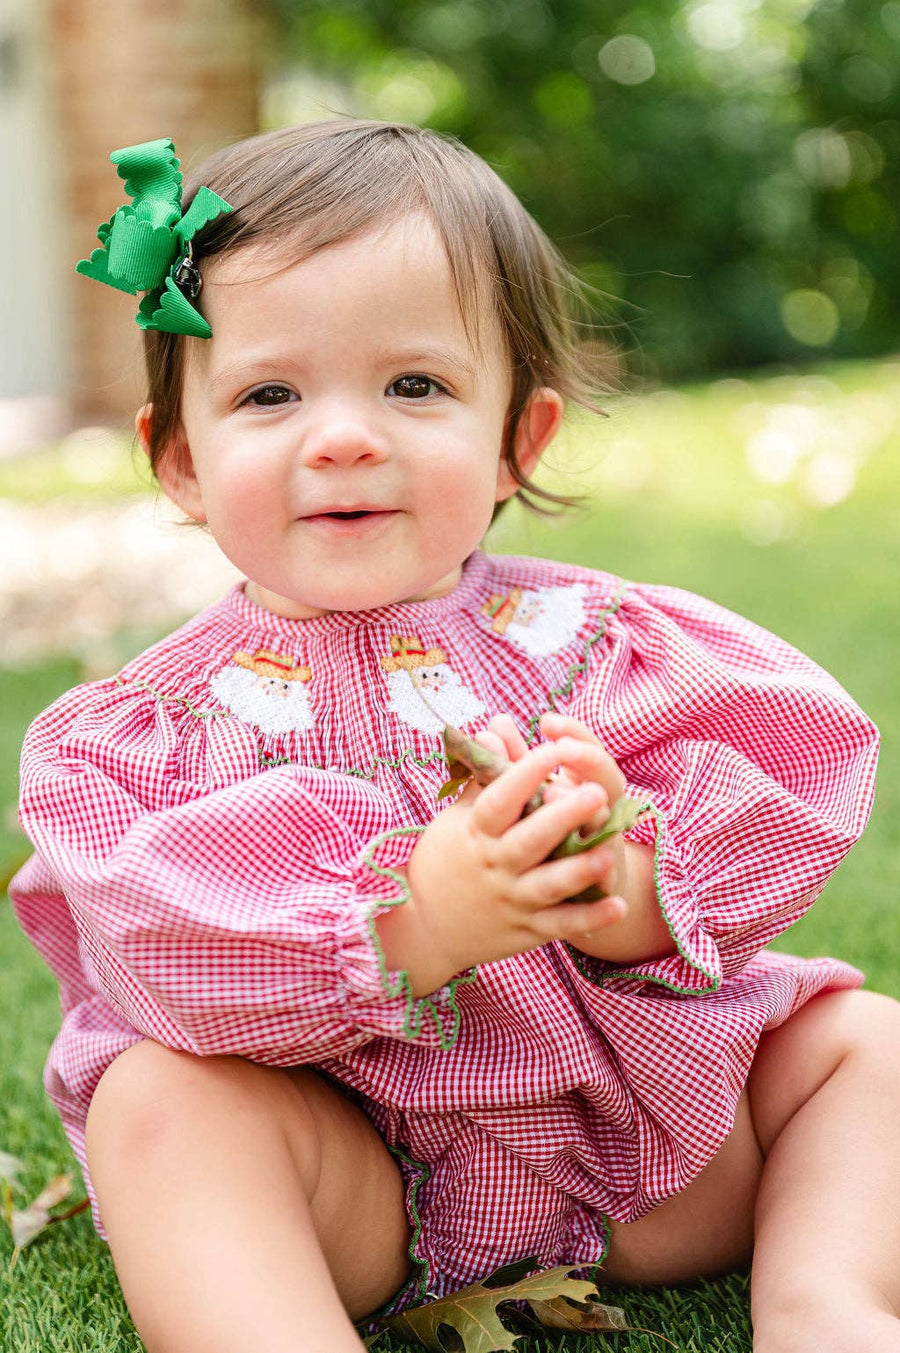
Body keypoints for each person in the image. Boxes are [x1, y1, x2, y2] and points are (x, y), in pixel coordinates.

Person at [10, 121, 899, 1353]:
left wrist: (626, 887)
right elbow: (163, 956)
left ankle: (826, 1302)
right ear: (182, 463)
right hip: (360, 1194)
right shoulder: (135, 741)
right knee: (160, 1106)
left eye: (414, 386)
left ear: (516, 441)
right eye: (269, 395)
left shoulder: (603, 648)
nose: (344, 437)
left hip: (652, 1153)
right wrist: (415, 920)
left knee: (863, 1046)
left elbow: (789, 782)